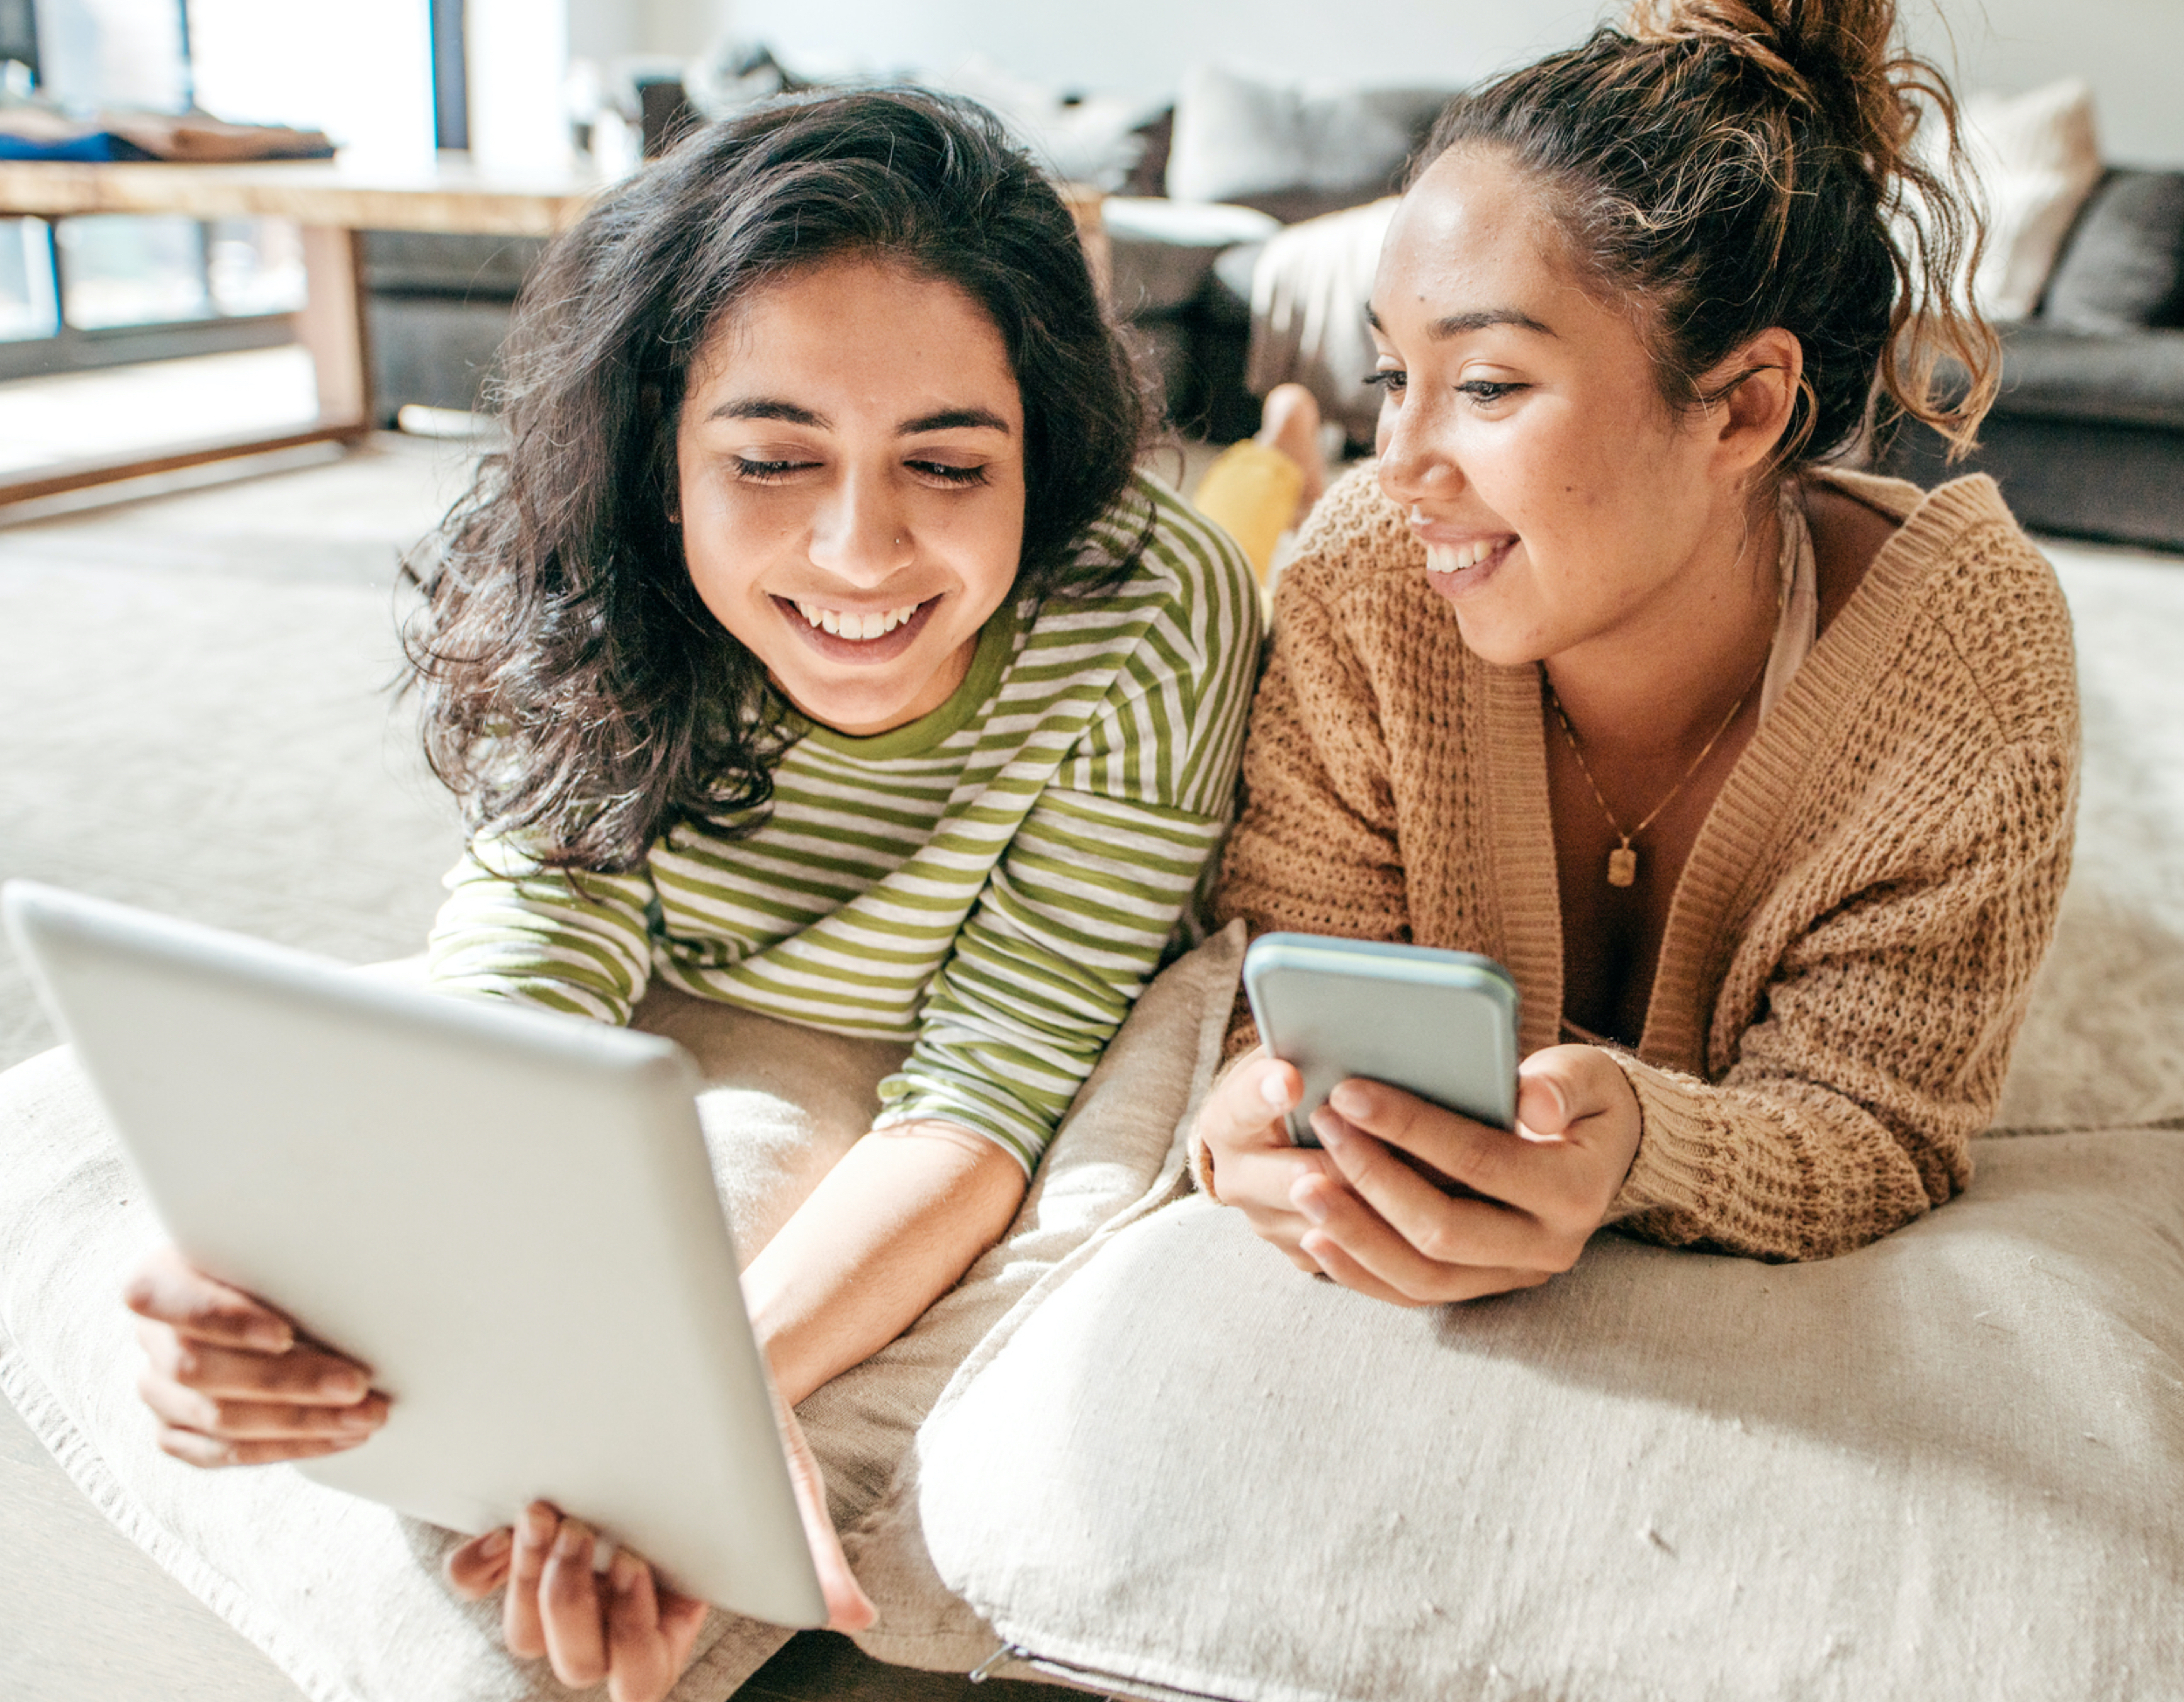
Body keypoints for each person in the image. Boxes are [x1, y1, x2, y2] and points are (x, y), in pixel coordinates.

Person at [118, 88, 1261, 1697]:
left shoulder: (1150, 601)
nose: (861, 553)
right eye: (773, 457)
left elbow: (993, 1075)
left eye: (946, 461)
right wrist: (315, 1287)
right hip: (662, 1000)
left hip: (942, 1065)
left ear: (1044, 453)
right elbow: (530, 962)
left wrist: (697, 1404)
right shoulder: (586, 564)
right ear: (661, 458)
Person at [1191, 0, 2078, 1305]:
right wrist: (1251, 1117)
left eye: (1487, 385)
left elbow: (1881, 1120)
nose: (1399, 469)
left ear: (1744, 409)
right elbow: (1285, 989)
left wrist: (1646, 1149)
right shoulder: (1362, 587)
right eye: (1390, 379)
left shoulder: (1965, 673)